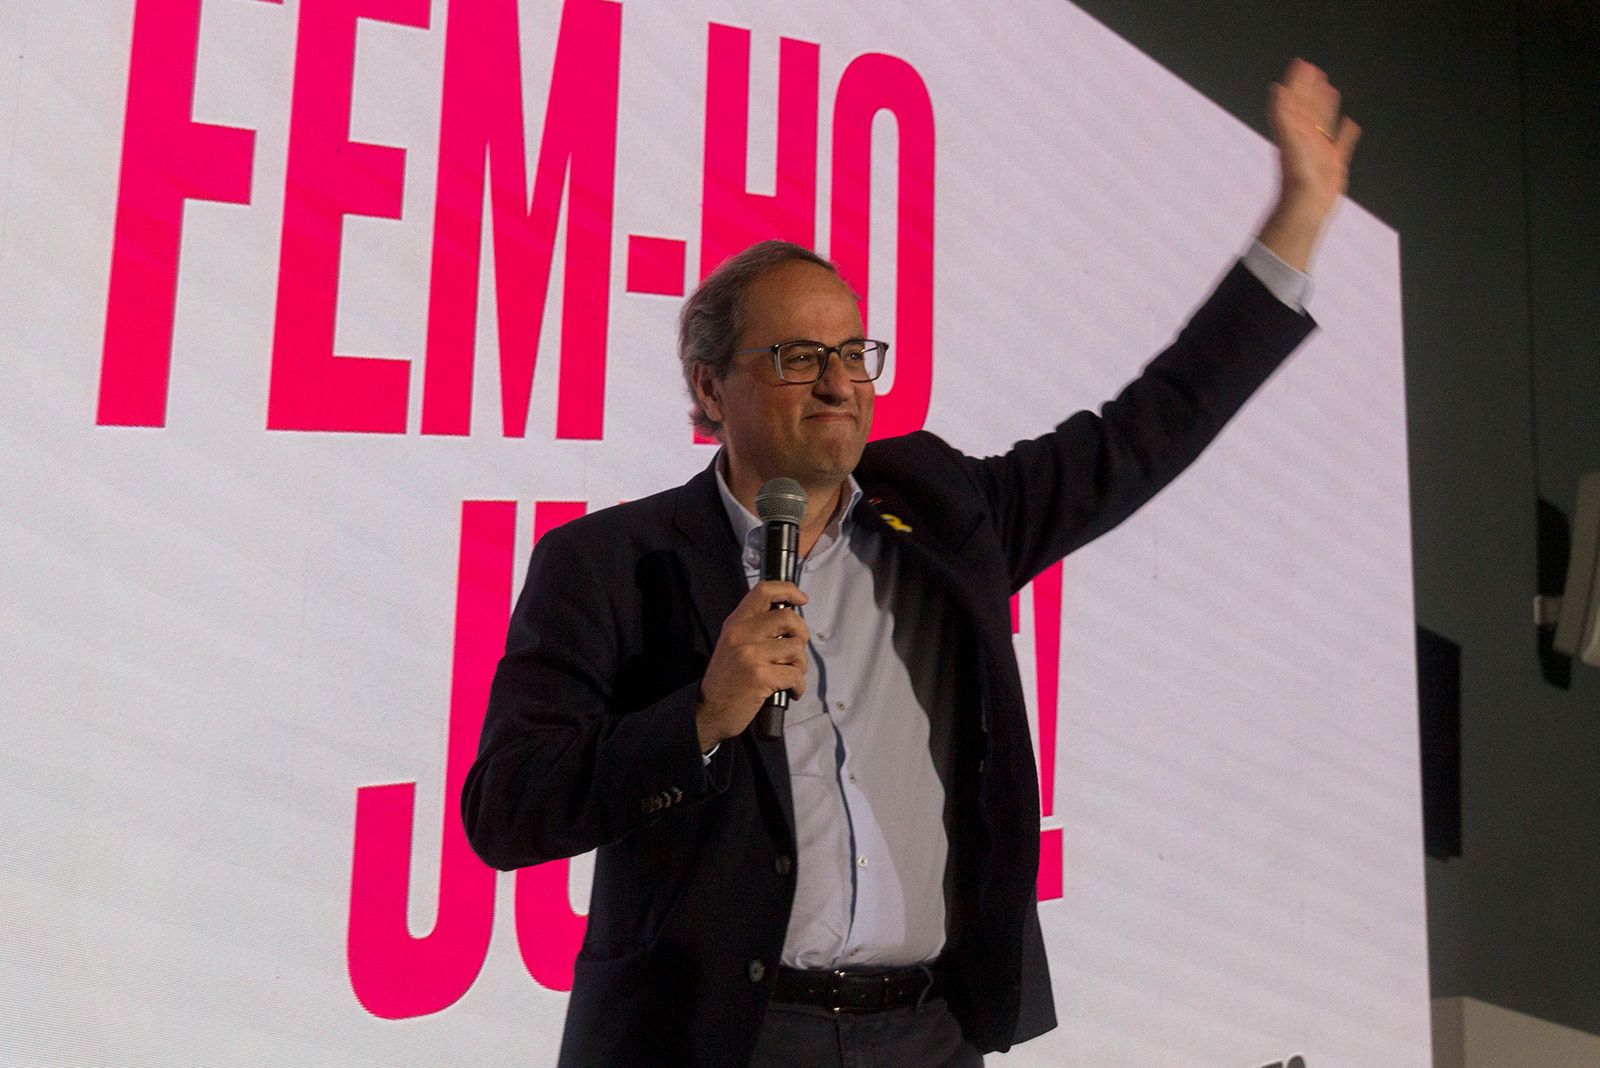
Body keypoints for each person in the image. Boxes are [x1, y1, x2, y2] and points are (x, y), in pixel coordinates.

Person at [462, 59, 1360, 1068]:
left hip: (924, 1034)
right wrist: (700, 718)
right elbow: (506, 810)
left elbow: (1145, 430)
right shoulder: (610, 564)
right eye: (798, 358)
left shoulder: (945, 515)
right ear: (711, 391)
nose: (840, 383)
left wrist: (1296, 223)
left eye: (855, 354)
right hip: (720, 1040)